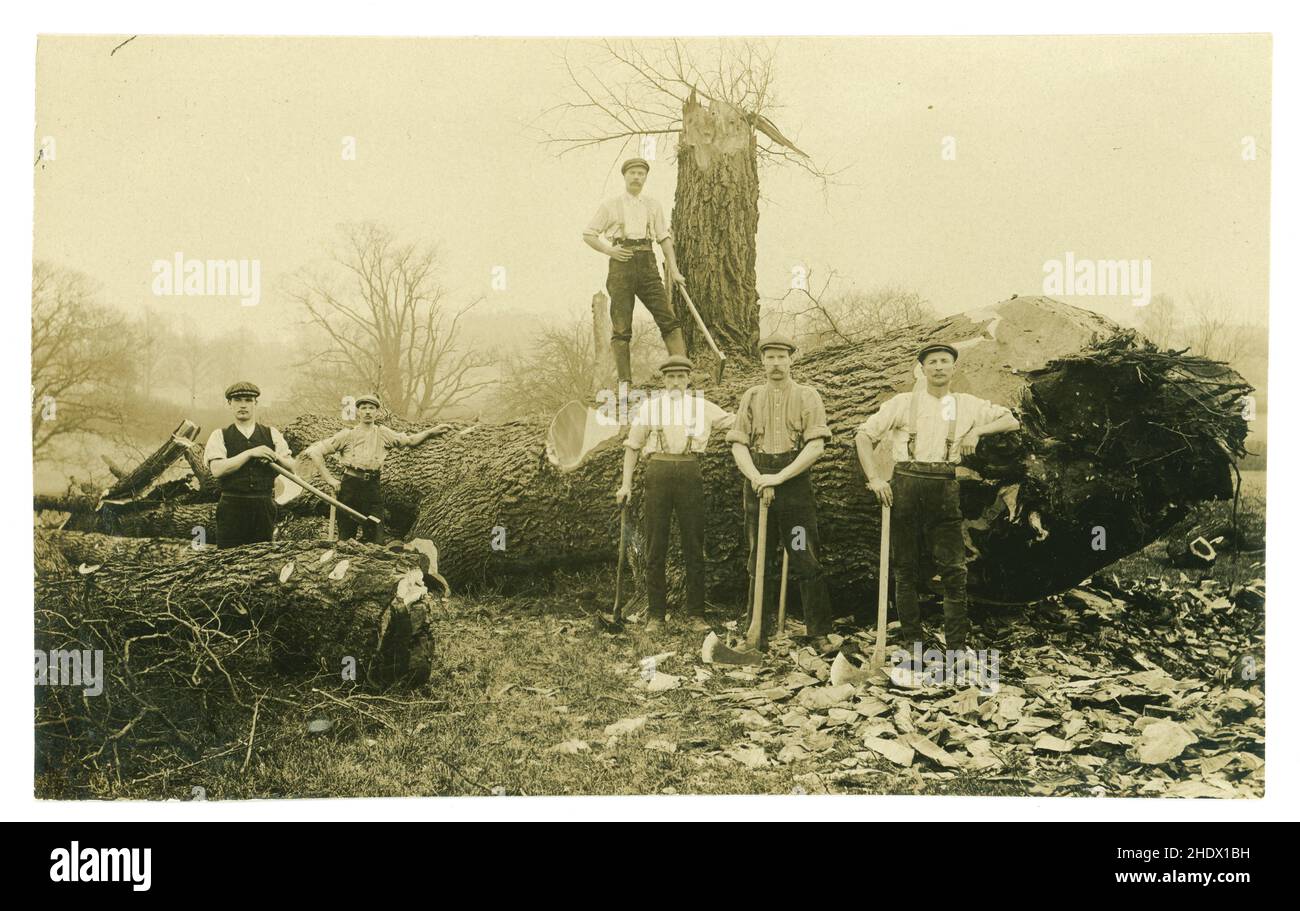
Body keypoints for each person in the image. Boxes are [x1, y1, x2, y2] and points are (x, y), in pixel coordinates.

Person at [854, 343, 1020, 655]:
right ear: (923, 369)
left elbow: (1012, 420)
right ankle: (914, 644)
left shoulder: (966, 404)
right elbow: (863, 435)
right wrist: (875, 478)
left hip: (944, 487)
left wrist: (978, 432)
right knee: (905, 569)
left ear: (953, 368)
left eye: (945, 361)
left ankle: (956, 647)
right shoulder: (903, 403)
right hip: (905, 486)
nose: (939, 367)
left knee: (954, 570)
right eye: (933, 362)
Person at [726, 336, 834, 653]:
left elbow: (816, 446)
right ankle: (755, 633)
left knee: (803, 551)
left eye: (781, 357)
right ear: (762, 361)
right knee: (758, 555)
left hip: (794, 485)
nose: (775, 363)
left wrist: (780, 477)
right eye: (769, 357)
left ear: (791, 360)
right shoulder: (752, 396)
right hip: (756, 479)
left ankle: (818, 632)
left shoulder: (807, 396)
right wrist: (758, 477)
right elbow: (738, 444)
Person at [616, 355, 735, 635]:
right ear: (663, 380)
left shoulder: (702, 406)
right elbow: (632, 447)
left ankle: (696, 614)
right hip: (657, 472)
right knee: (656, 545)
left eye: (681, 377)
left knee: (694, 545)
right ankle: (656, 615)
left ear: (688, 379)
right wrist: (625, 484)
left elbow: (734, 421)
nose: (676, 382)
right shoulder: (649, 408)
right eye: (670, 377)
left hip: (690, 471)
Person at [583, 157, 687, 386]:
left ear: (646, 178)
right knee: (621, 327)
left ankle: (682, 370)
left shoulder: (653, 205)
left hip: (647, 263)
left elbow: (664, 239)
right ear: (625, 176)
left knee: (667, 318)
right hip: (621, 265)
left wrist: (675, 271)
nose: (637, 177)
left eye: (641, 174)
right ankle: (625, 382)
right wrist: (610, 251)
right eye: (633, 173)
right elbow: (588, 234)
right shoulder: (610, 205)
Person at [301, 394, 448, 542]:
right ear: (358, 412)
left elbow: (409, 441)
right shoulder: (347, 435)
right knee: (345, 538)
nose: (367, 412)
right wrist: (330, 479)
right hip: (349, 488)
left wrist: (430, 432)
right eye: (363, 408)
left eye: (371, 408)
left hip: (372, 488)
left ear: (377, 412)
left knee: (376, 538)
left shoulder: (384, 433)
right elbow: (315, 452)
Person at [204, 381, 295, 548]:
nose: (243, 405)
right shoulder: (219, 435)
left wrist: (274, 456)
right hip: (232, 506)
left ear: (255, 404)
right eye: (237, 400)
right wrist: (250, 453)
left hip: (263, 506)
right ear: (229, 404)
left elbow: (292, 466)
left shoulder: (271, 434)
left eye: (248, 400)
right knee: (226, 560)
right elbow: (217, 470)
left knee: (261, 561)